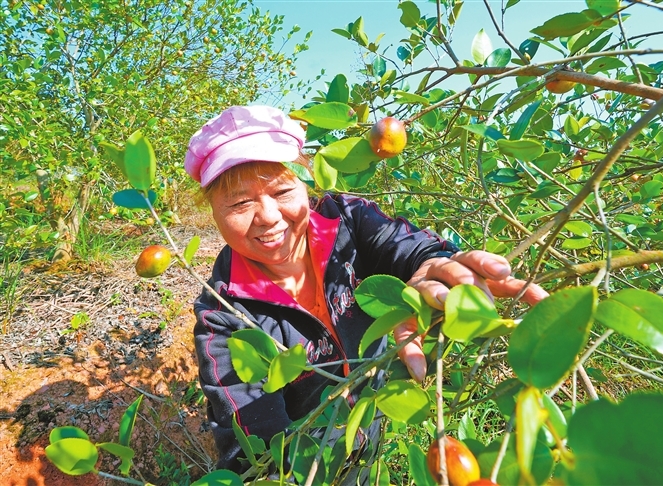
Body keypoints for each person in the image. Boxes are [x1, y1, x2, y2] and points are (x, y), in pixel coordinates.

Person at [184, 105, 549, 480]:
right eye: (240, 202)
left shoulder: (348, 222)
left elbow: (411, 249)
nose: (269, 216)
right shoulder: (224, 317)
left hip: (374, 429)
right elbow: (254, 440)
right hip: (314, 467)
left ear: (306, 183)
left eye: (281, 190)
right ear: (212, 210)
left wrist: (434, 266)